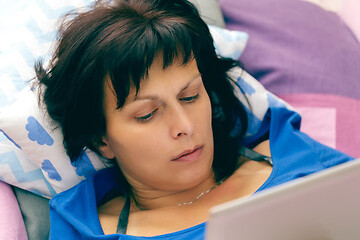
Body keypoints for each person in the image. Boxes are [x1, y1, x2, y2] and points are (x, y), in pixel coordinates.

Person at [35, 0, 353, 239]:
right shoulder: (84, 226)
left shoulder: (287, 150)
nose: (185, 127)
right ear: (101, 139)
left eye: (190, 97)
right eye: (147, 115)